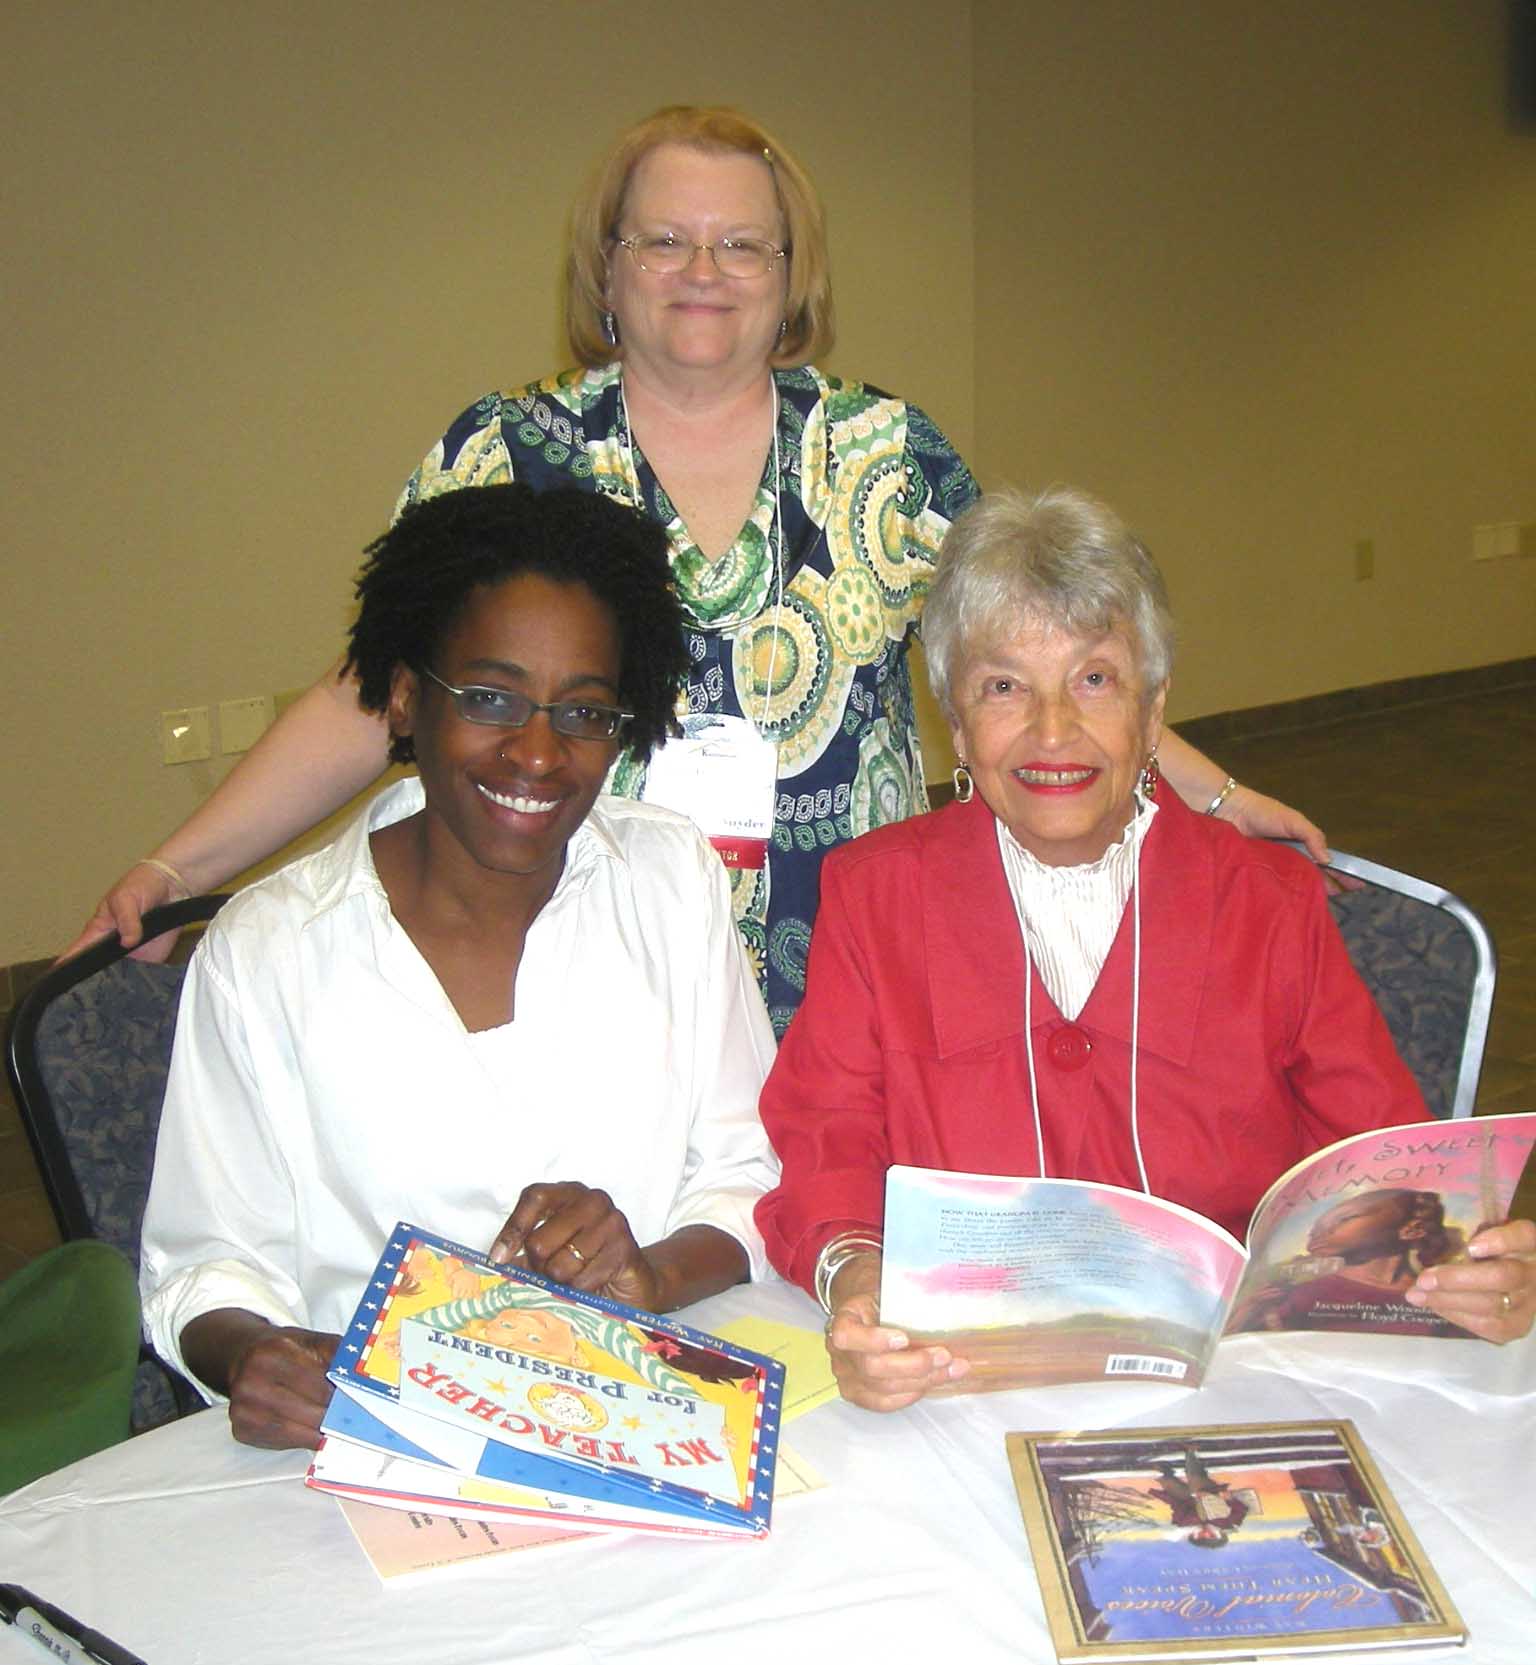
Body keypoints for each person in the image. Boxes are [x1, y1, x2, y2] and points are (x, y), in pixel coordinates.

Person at [68, 105, 1326, 1033]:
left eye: (743, 247)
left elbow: (1058, 665)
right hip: (580, 972)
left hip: (863, 974)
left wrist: (1219, 799)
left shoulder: (882, 450)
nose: (704, 273)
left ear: (792, 279)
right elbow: (370, 695)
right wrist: (180, 869)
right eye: (664, 239)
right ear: (607, 268)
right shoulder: (507, 454)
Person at [753, 487, 1536, 1409]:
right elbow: (825, 1140)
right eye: (1004, 687)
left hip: (1242, 1380)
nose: (1053, 731)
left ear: (1154, 711)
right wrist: (857, 1277)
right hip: (964, 1385)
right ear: (956, 727)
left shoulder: (1269, 900)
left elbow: (1382, 1160)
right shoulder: (878, 894)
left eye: (1095, 680)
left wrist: (1467, 1264)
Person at [139, 485, 780, 1451]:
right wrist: (254, 1356)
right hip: (377, 1447)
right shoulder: (268, 951)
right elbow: (207, 1265)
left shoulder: (668, 882)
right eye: (489, 699)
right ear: (404, 695)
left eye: (586, 713)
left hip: (641, 1427)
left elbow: (746, 1172)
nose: (537, 753)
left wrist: (648, 1273)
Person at [1227, 1188, 1469, 1335]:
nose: (1320, 1232)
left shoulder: (1439, 1297)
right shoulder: (1300, 1296)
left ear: (1412, 1230)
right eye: (1316, 1228)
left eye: (1344, 1219)